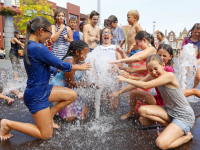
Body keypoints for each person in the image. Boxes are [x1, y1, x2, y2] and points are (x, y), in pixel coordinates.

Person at [0, 16, 91, 140]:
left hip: (44, 89)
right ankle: (7, 123)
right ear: (40, 31)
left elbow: (44, 66)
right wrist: (81, 67)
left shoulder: (31, 46)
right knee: (46, 135)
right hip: (36, 95)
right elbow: (60, 63)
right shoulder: (37, 47)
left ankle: (51, 115)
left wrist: (54, 69)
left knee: (72, 95)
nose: (50, 36)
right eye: (49, 33)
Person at [115, 54, 195, 150]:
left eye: (156, 68)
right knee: (142, 114)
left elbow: (145, 85)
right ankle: (171, 127)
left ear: (163, 65)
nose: (153, 72)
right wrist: (118, 93)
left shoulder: (169, 76)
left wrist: (126, 79)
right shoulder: (152, 75)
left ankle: (186, 137)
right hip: (170, 112)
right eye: (150, 70)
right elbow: (138, 84)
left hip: (184, 116)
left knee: (160, 144)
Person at [51, 40, 90, 121]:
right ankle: (52, 110)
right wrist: (90, 84)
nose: (87, 56)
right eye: (85, 53)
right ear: (77, 52)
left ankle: (61, 109)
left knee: (85, 111)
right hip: (58, 90)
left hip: (69, 91)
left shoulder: (81, 61)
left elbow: (82, 79)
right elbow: (70, 83)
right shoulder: (70, 61)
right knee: (70, 118)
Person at [93, 27, 122, 109]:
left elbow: (121, 63)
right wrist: (94, 76)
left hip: (112, 78)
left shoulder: (115, 48)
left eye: (108, 33)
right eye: (104, 33)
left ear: (112, 36)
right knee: (95, 104)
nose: (106, 34)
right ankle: (97, 118)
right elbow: (93, 63)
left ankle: (112, 119)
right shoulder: (97, 48)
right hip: (100, 77)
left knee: (113, 105)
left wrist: (116, 66)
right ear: (101, 36)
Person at [179, 23, 200, 88]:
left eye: (199, 32)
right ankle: (184, 88)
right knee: (184, 75)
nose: (197, 34)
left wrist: (198, 61)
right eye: (195, 32)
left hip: (197, 60)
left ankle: (193, 88)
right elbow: (181, 49)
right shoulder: (186, 39)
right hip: (187, 60)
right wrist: (181, 56)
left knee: (198, 77)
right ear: (192, 31)